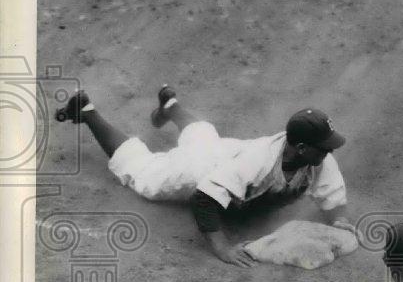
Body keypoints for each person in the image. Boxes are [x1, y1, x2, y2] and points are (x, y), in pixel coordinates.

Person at [55, 85, 353, 267]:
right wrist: (221, 247)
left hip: (228, 153)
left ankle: (171, 106)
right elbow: (204, 199)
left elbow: (332, 196)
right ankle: (87, 111)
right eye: (323, 145)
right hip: (204, 169)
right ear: (301, 148)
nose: (329, 150)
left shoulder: (318, 160)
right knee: (145, 176)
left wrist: (339, 221)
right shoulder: (258, 162)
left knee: (204, 139)